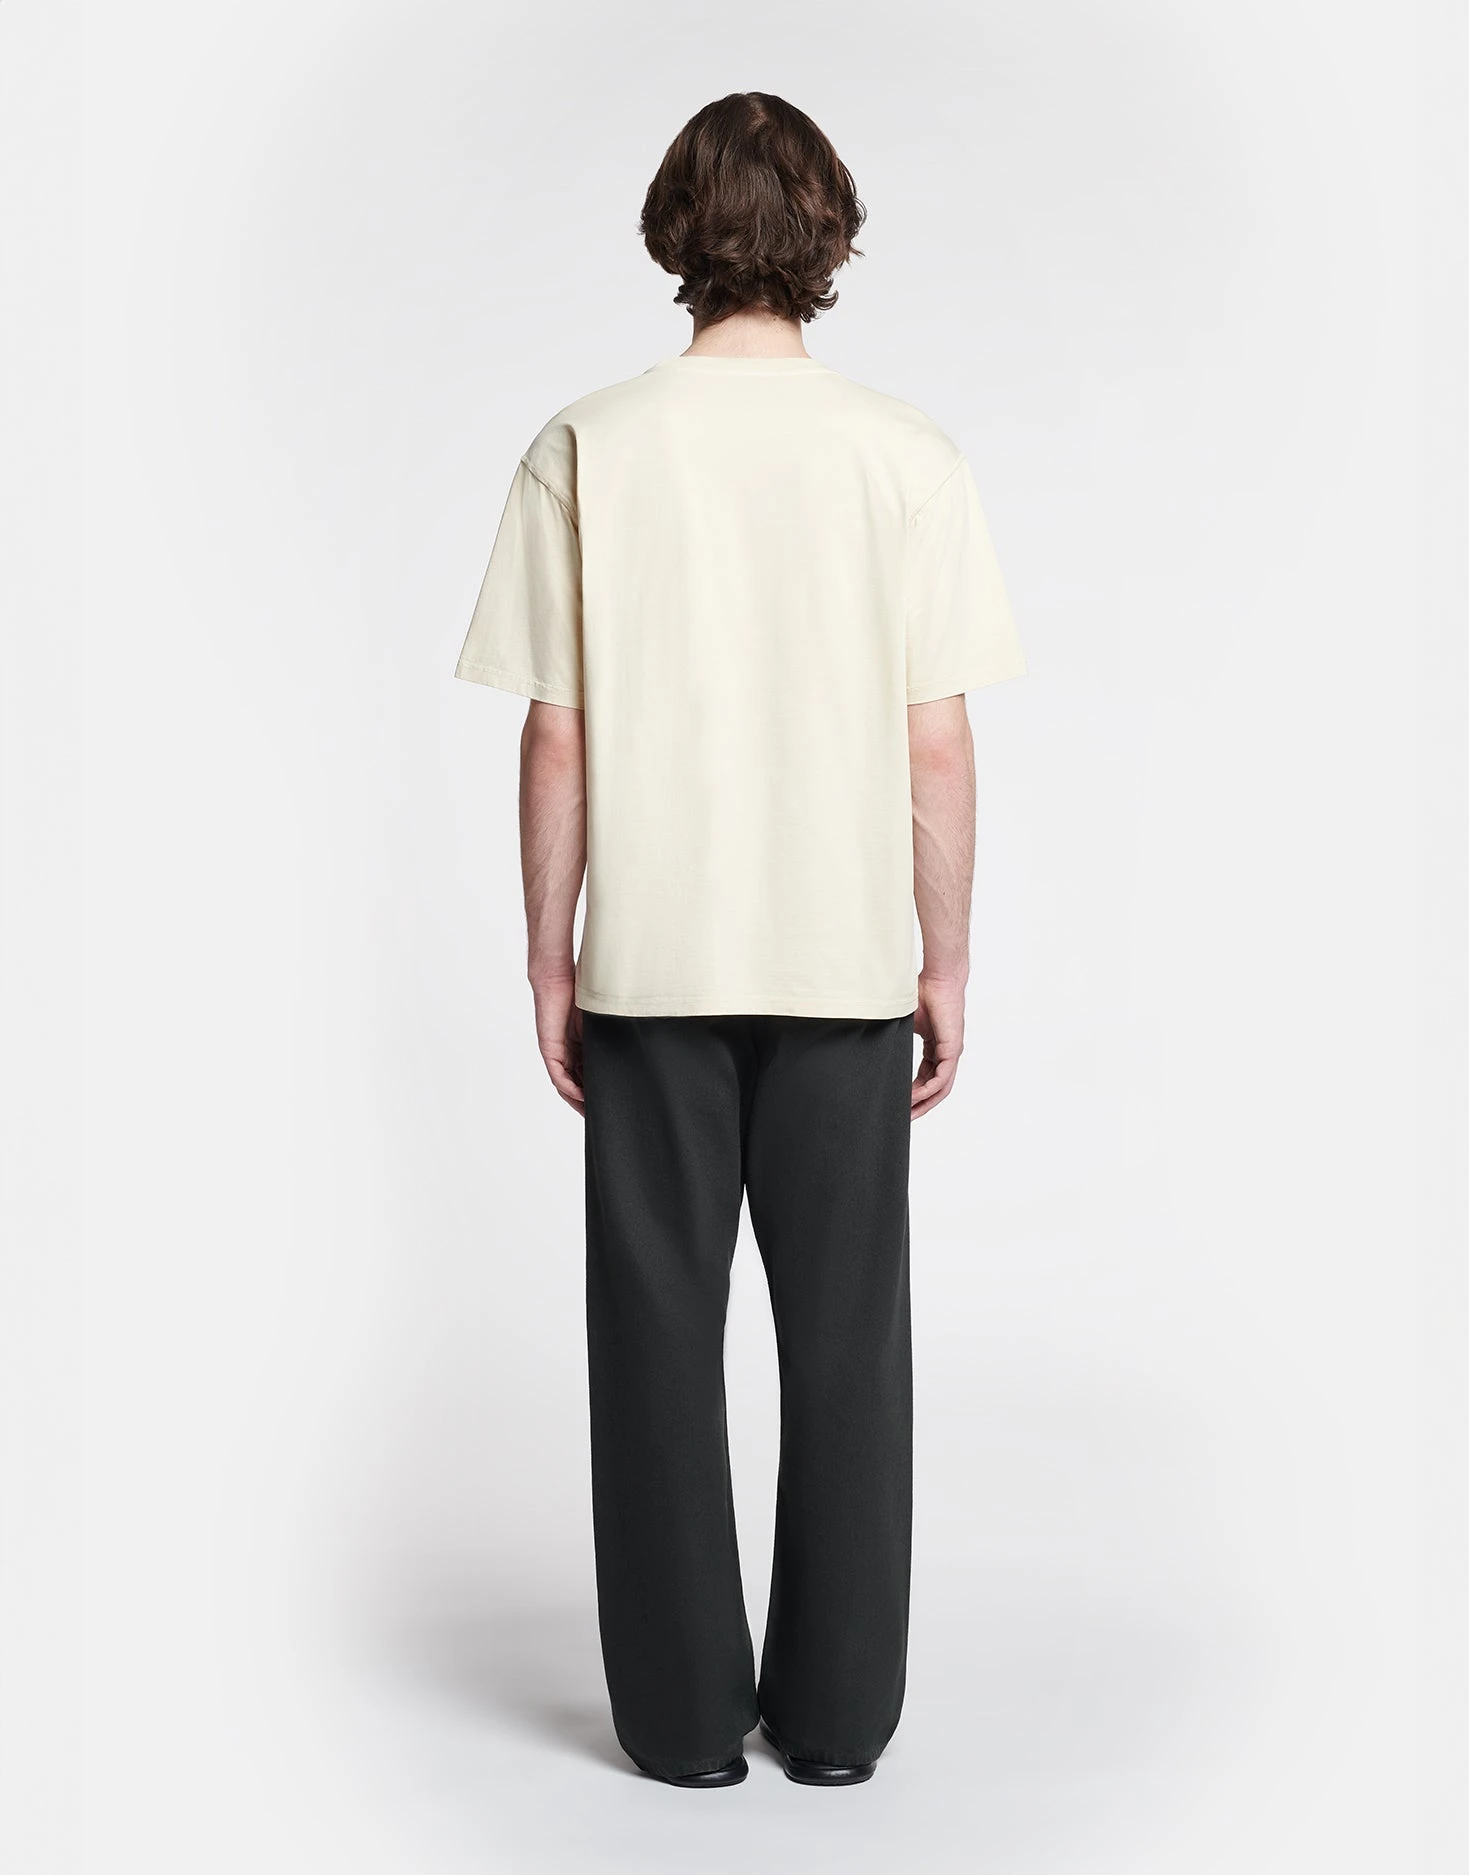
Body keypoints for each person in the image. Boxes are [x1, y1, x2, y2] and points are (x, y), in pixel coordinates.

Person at [454, 91, 1024, 1789]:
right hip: (843, 967)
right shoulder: (905, 455)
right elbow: (937, 740)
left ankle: (681, 1723)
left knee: (653, 1345)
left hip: (655, 967)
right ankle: (838, 1719)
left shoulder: (588, 445)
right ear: (828, 233)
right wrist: (944, 962)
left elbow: (558, 732)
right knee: (849, 1348)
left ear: (674, 232)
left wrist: (550, 954)